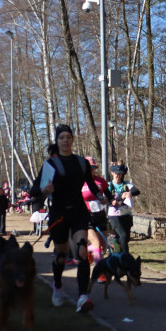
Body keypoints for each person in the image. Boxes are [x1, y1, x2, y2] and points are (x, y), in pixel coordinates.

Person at [40, 124, 111, 314]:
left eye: (68, 137)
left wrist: (100, 195)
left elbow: (91, 184)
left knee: (81, 250)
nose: (65, 140)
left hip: (79, 212)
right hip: (59, 214)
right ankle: (57, 284)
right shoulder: (50, 164)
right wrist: (44, 190)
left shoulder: (81, 162)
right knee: (61, 254)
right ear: (57, 140)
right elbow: (35, 190)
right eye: (61, 137)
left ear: (72, 139)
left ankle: (82, 297)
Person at [81, 158, 110, 265]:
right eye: (89, 168)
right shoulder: (80, 182)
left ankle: (88, 249)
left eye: (93, 167)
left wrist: (106, 200)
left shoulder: (100, 181)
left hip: (100, 215)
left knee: (103, 246)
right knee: (97, 243)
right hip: (86, 216)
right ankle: (100, 272)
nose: (91, 170)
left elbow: (109, 195)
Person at [107, 164, 137, 254]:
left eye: (120, 173)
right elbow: (106, 198)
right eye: (116, 173)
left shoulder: (126, 184)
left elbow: (136, 191)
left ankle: (113, 241)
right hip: (114, 214)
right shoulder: (110, 185)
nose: (118, 175)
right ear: (112, 173)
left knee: (126, 238)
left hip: (126, 213)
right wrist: (115, 200)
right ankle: (125, 257)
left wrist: (129, 193)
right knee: (123, 235)